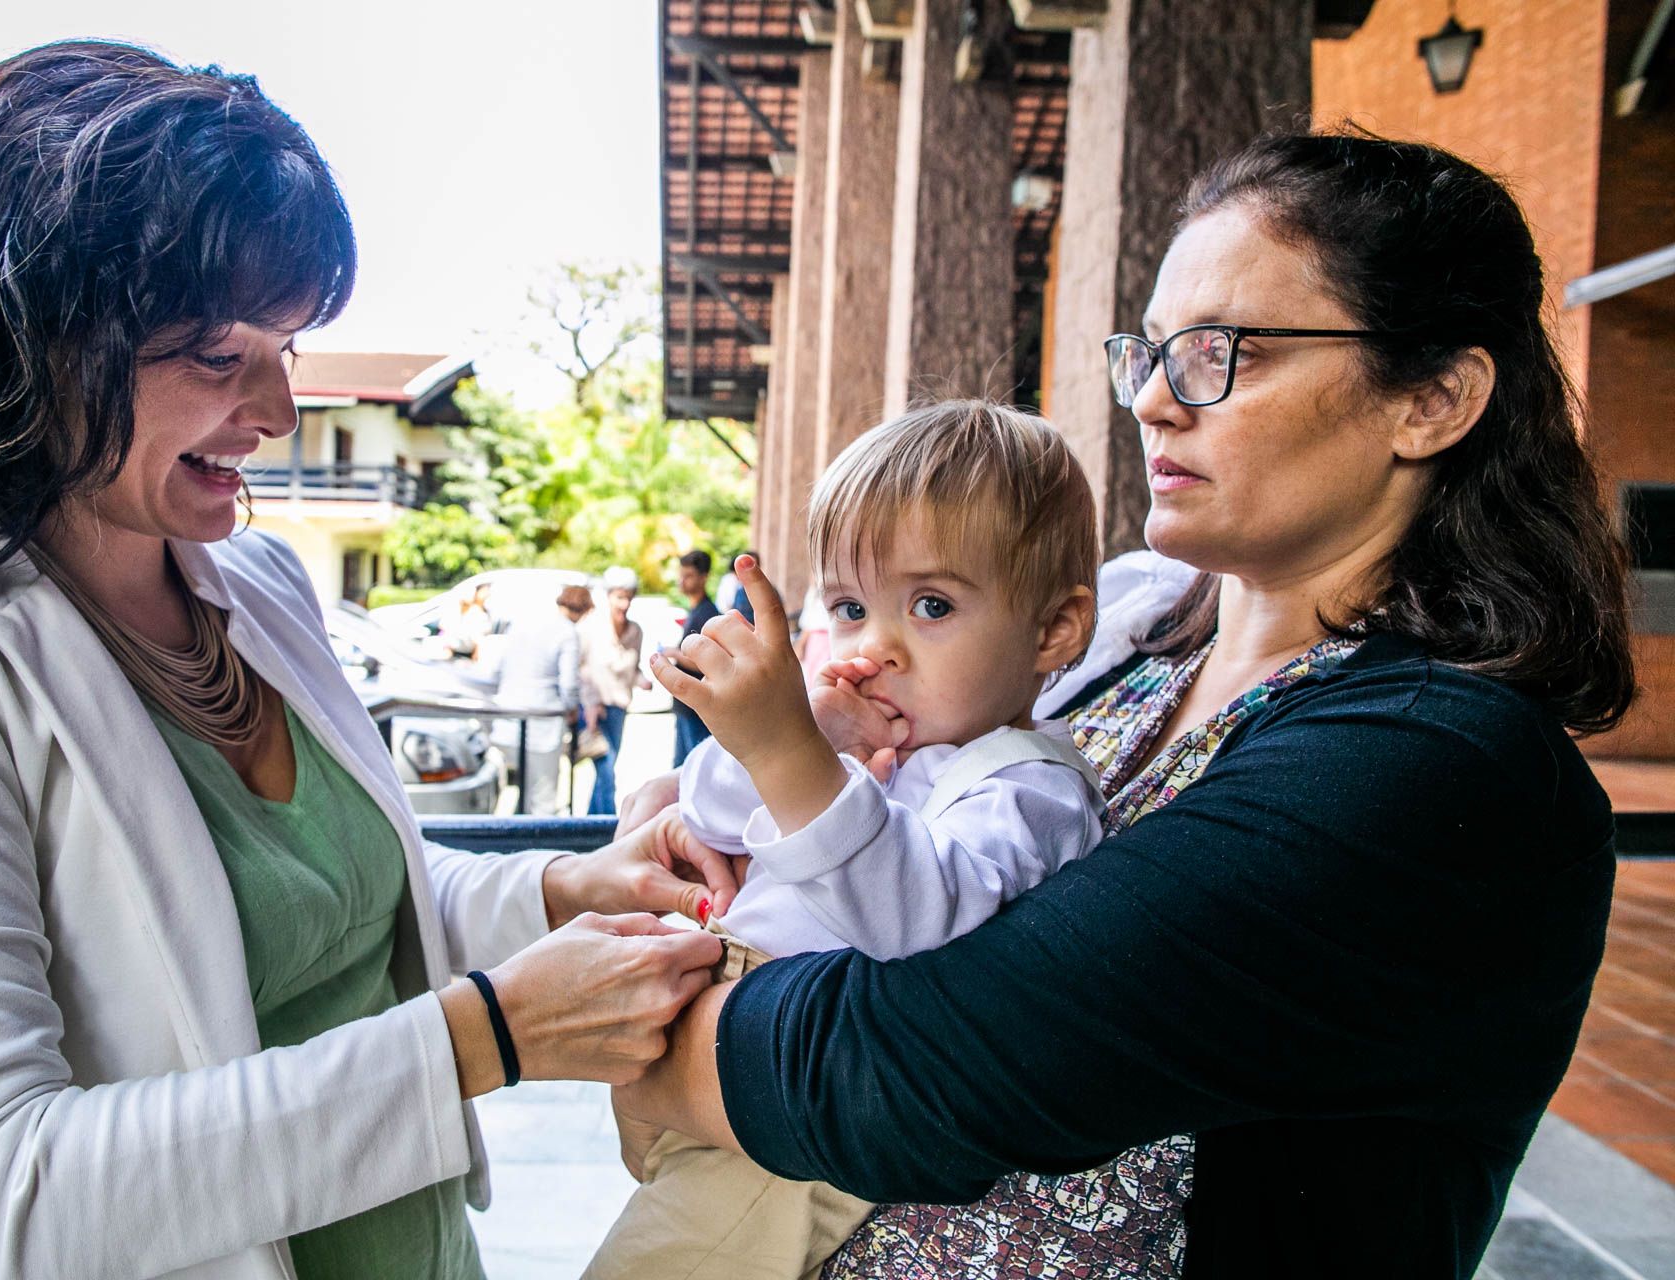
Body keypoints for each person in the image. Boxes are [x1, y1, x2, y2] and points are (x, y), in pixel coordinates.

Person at [0, 43, 737, 1280]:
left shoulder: (261, 587)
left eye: (288, 345)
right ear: (24, 341)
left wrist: (566, 888)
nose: (276, 409)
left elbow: (344, 908)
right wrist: (486, 1036)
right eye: (219, 353)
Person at [615, 132, 1634, 1278]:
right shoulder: (1124, 638)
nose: (1152, 399)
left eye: (1218, 352)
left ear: (1434, 397)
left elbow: (910, 1073)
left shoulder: (1437, 763)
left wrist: (627, 1024)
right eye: (1148, 353)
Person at [587, 403, 1105, 1280]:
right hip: (715, 1064)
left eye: (932, 605)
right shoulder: (872, 742)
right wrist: (791, 734)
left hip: (792, 1126)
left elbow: (917, 917)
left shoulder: (1027, 785)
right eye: (850, 606)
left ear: (1054, 630)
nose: (876, 647)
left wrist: (798, 759)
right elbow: (713, 812)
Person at [494, 584, 594, 814]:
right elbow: (569, 684)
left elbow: (497, 669)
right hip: (543, 724)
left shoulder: (523, 623)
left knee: (519, 793)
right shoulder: (567, 633)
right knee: (542, 797)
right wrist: (571, 708)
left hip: (507, 718)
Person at [579, 566, 651, 816]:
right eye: (619, 596)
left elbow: (634, 668)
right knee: (607, 772)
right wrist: (589, 703)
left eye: (629, 597)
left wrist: (643, 680)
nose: (624, 603)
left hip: (619, 708)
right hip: (594, 711)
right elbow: (580, 669)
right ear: (608, 596)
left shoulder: (635, 631)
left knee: (605, 774)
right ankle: (607, 826)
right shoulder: (590, 628)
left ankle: (590, 824)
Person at [665, 548, 719, 766]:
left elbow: (707, 662)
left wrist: (674, 653)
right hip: (685, 703)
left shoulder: (707, 614)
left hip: (696, 706)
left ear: (703, 577)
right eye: (681, 575)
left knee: (692, 767)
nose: (682, 581)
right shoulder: (695, 611)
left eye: (689, 576)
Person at [444, 580, 495, 660]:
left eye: (488, 590)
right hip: (458, 653)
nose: (487, 594)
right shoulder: (469, 610)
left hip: (475, 654)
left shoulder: (486, 612)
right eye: (484, 590)